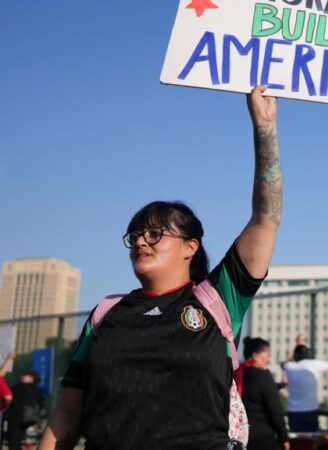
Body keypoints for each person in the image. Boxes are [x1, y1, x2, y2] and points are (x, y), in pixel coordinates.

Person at [39, 86, 282, 450]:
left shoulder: (217, 299)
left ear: (190, 246)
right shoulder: (106, 314)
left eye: (155, 233)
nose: (140, 241)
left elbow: (266, 218)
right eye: (135, 235)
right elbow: (67, 415)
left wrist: (264, 126)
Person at [237, 337, 289, 450]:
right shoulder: (263, 376)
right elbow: (275, 411)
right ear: (255, 356)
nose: (269, 360)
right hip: (262, 438)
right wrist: (283, 438)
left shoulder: (235, 374)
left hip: (238, 438)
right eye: (267, 355)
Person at [282, 335, 328, 432]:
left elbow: (284, 363)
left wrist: (298, 344)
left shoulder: (289, 366)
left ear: (294, 355)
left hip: (293, 412)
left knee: (296, 442)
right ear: (307, 355)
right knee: (311, 442)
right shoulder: (313, 364)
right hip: (310, 410)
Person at [6, 371, 46, 450]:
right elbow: (42, 403)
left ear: (31, 377)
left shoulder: (18, 387)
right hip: (30, 419)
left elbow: (10, 399)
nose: (23, 377)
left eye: (25, 375)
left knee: (14, 441)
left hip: (15, 418)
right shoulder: (37, 390)